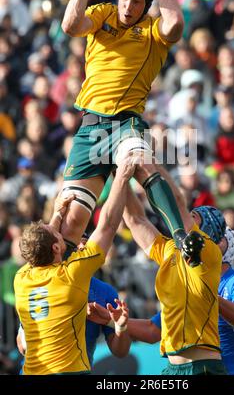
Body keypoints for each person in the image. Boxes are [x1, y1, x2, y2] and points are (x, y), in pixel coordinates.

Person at [60, 0, 194, 261]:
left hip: (125, 121)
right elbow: (69, 25)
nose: (128, 6)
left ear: (145, 5)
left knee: (141, 159)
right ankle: (60, 271)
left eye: (136, 1)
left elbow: (175, 23)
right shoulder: (102, 13)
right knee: (73, 217)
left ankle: (181, 238)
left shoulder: (152, 33)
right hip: (90, 127)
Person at [88, 227, 234, 375]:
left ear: (224, 247)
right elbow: (154, 330)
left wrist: (208, 298)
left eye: (212, 238)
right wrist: (111, 320)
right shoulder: (189, 286)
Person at [13, 155, 135, 375]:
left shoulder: (21, 278)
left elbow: (44, 243)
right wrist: (122, 178)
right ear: (57, 249)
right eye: (61, 238)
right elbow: (107, 225)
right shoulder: (74, 274)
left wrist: (58, 212)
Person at [120, 178, 227, 375]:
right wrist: (120, 176)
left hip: (202, 369)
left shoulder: (210, 252)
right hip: (172, 369)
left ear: (207, 231)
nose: (184, 216)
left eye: (194, 216)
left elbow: (177, 203)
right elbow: (136, 220)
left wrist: (147, 166)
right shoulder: (171, 249)